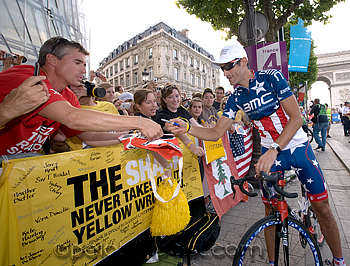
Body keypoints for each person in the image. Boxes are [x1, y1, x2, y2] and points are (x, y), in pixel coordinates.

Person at [168, 44, 346, 266]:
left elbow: (297, 118)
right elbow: (214, 133)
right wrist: (186, 128)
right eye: (222, 68)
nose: (225, 73)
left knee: (324, 210)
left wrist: (274, 149)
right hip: (272, 155)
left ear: (243, 62)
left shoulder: (272, 77)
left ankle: (339, 261)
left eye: (228, 66)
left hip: (297, 148)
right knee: (270, 213)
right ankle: (273, 263)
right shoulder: (235, 98)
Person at [0, 36, 163, 157]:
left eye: (84, 65)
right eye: (77, 63)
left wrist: (133, 137)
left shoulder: (68, 96)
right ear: (52, 60)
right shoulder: (26, 76)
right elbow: (73, 117)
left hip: (18, 165)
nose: (83, 71)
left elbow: (89, 137)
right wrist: (140, 122)